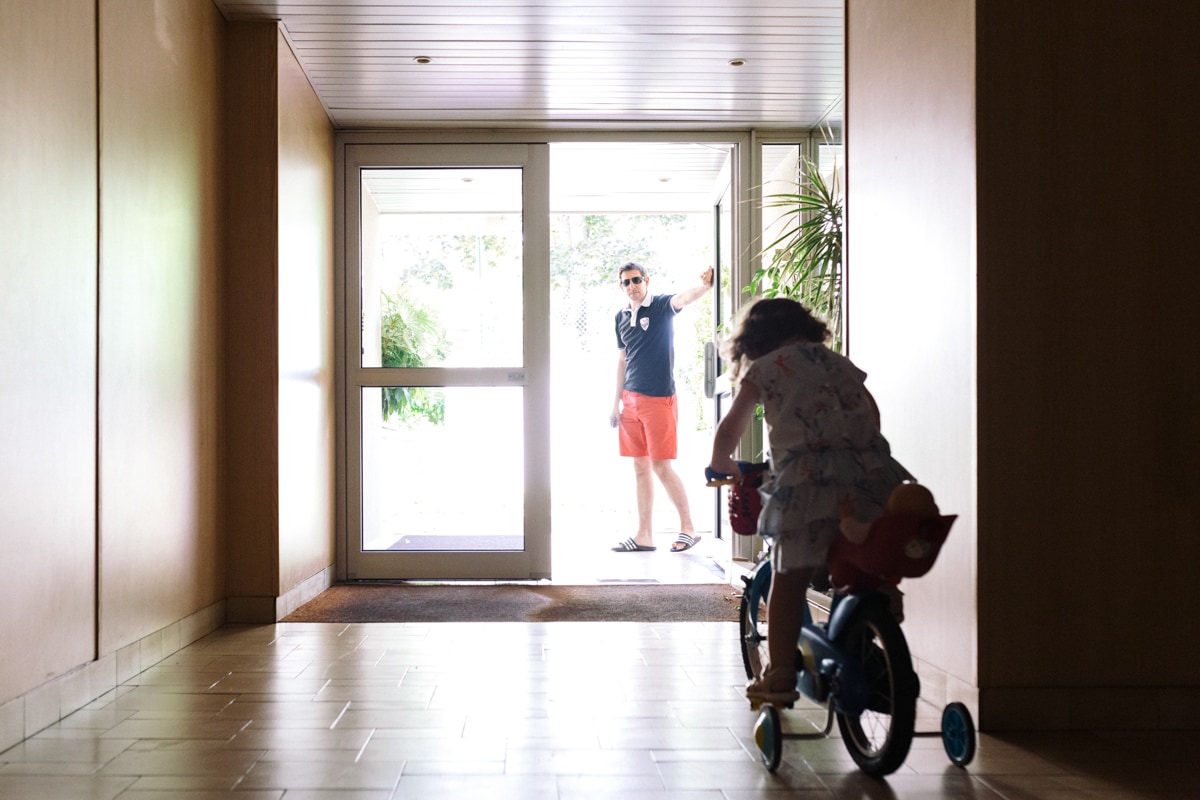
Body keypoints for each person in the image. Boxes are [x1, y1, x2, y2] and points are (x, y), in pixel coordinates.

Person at [707, 297, 913, 704]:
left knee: (790, 578)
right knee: (854, 560)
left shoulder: (766, 369)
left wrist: (720, 464)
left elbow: (731, 427)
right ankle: (877, 610)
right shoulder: (838, 363)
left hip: (807, 486)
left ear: (755, 342)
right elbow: (871, 414)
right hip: (871, 479)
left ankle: (781, 675)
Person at [610, 261, 714, 553]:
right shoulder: (620, 316)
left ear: (646, 280)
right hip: (629, 401)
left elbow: (683, 298)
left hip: (659, 399)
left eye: (636, 280)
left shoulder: (660, 306)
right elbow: (622, 360)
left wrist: (705, 287)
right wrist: (615, 403)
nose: (632, 286)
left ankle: (688, 529)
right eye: (626, 282)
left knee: (661, 467)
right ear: (621, 286)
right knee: (640, 466)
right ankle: (644, 535)